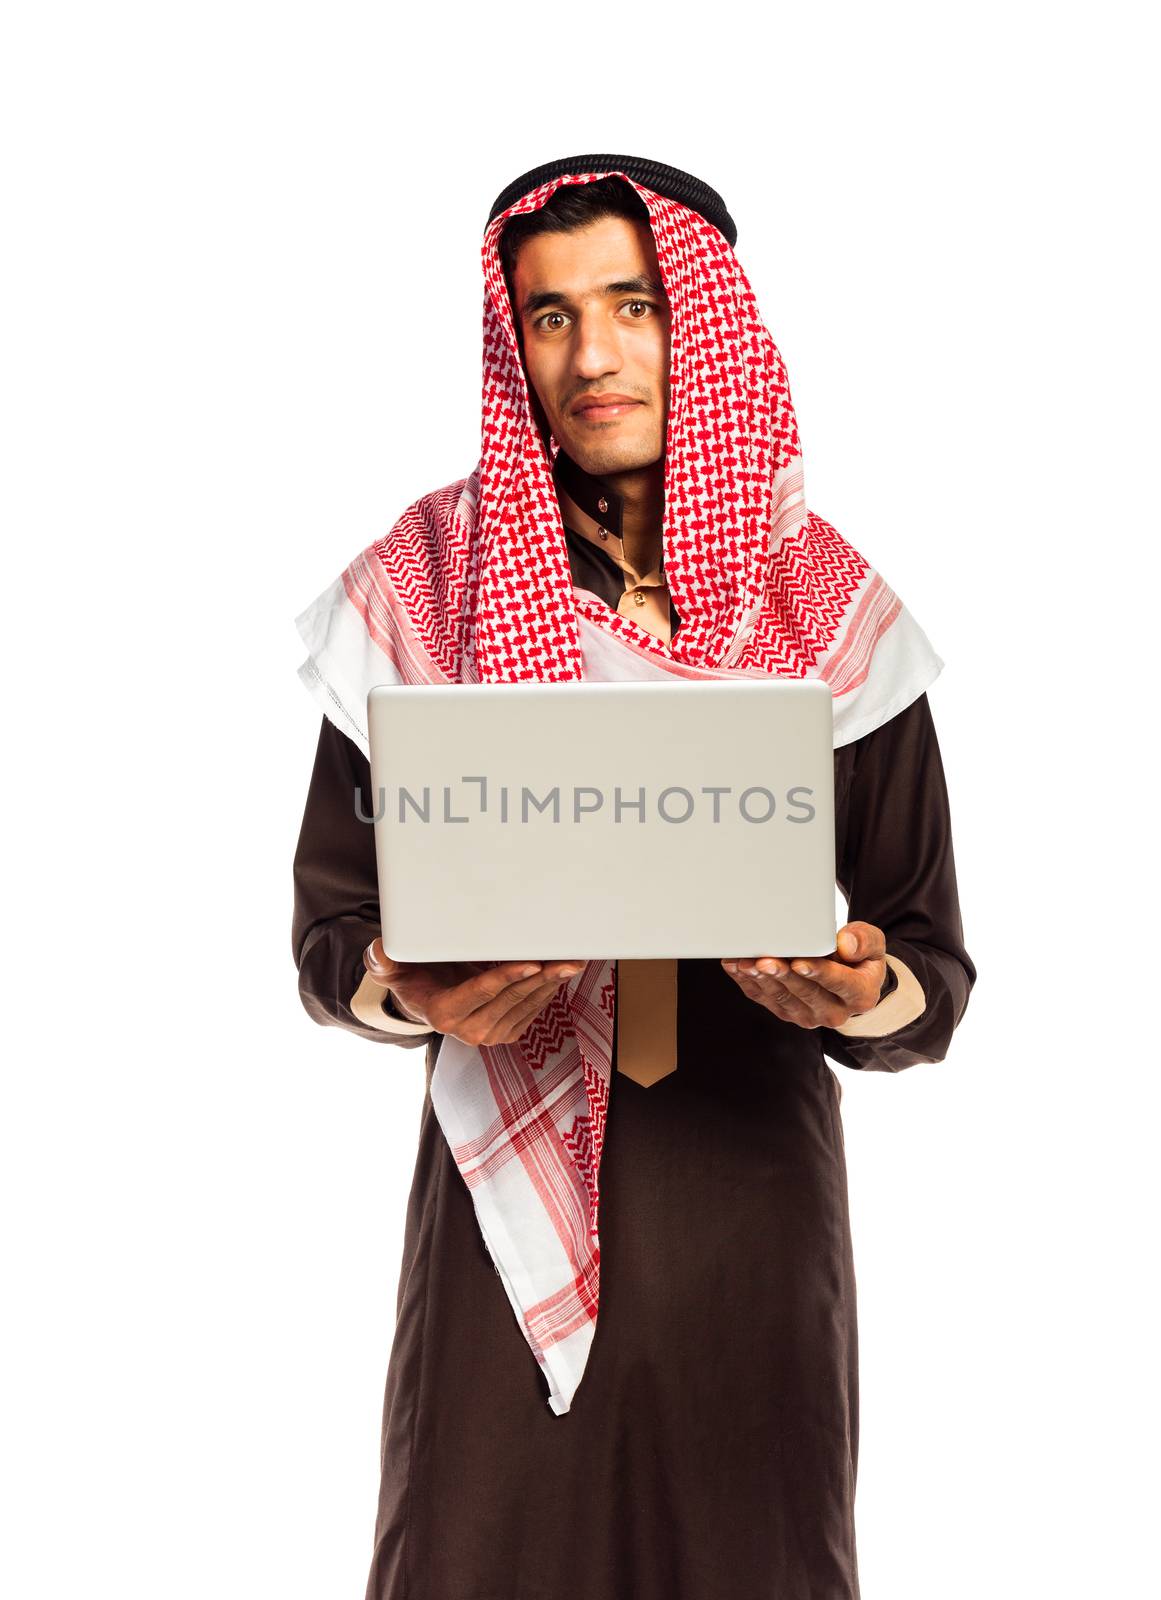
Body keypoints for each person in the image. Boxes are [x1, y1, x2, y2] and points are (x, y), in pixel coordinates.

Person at [291, 155, 977, 1600]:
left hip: (747, 1204)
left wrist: (855, 987)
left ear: (708, 322)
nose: (591, 356)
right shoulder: (428, 588)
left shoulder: (827, 610)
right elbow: (331, 930)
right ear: (512, 344)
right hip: (500, 1227)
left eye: (633, 305)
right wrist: (411, 989)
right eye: (548, 318)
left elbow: (927, 972)